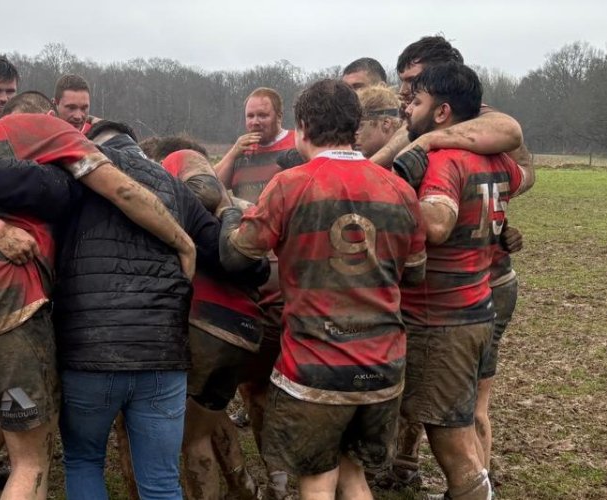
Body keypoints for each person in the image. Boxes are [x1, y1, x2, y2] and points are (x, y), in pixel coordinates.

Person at [0, 115, 198, 500]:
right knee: (31, 465)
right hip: (5, 313)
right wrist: (183, 243)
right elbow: (124, 192)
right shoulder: (47, 131)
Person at [217, 79, 426, 500]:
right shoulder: (400, 190)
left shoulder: (291, 185)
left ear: (303, 126)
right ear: (355, 126)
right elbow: (416, 273)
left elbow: (238, 255)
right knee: (350, 472)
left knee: (315, 478)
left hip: (317, 367)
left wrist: (226, 213)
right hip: (383, 367)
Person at [397, 61, 531, 500]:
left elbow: (437, 224)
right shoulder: (496, 160)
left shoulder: (443, 161)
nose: (407, 111)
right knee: (455, 420)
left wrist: (388, 205)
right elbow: (521, 176)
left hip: (442, 319)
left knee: (450, 438)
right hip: (477, 307)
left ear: (441, 113)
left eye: (415, 102)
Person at [210, 86, 300, 498]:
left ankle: (291, 471)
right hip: (251, 281)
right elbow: (209, 185)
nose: (254, 123)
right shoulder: (242, 152)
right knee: (256, 387)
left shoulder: (295, 147)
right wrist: (232, 151)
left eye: (262, 116)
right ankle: (277, 475)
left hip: (288, 281)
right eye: (249, 116)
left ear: (278, 115)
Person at [161, 147, 264, 500]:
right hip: (245, 330)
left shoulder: (179, 161)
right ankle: (243, 486)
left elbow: (204, 187)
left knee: (191, 438)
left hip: (205, 324)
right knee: (210, 413)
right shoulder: (241, 211)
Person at [368, 35, 529, 170]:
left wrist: (427, 141)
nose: (403, 90)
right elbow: (404, 137)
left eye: (412, 80)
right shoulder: (421, 117)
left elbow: (510, 131)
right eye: (402, 80)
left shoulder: (471, 113)